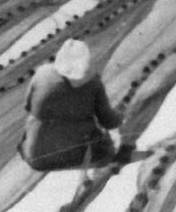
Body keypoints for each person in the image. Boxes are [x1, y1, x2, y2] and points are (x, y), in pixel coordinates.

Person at [18, 39, 123, 171]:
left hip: (33, 157)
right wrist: (121, 116)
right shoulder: (93, 83)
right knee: (106, 150)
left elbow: (28, 106)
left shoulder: (42, 74)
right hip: (71, 154)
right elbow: (108, 121)